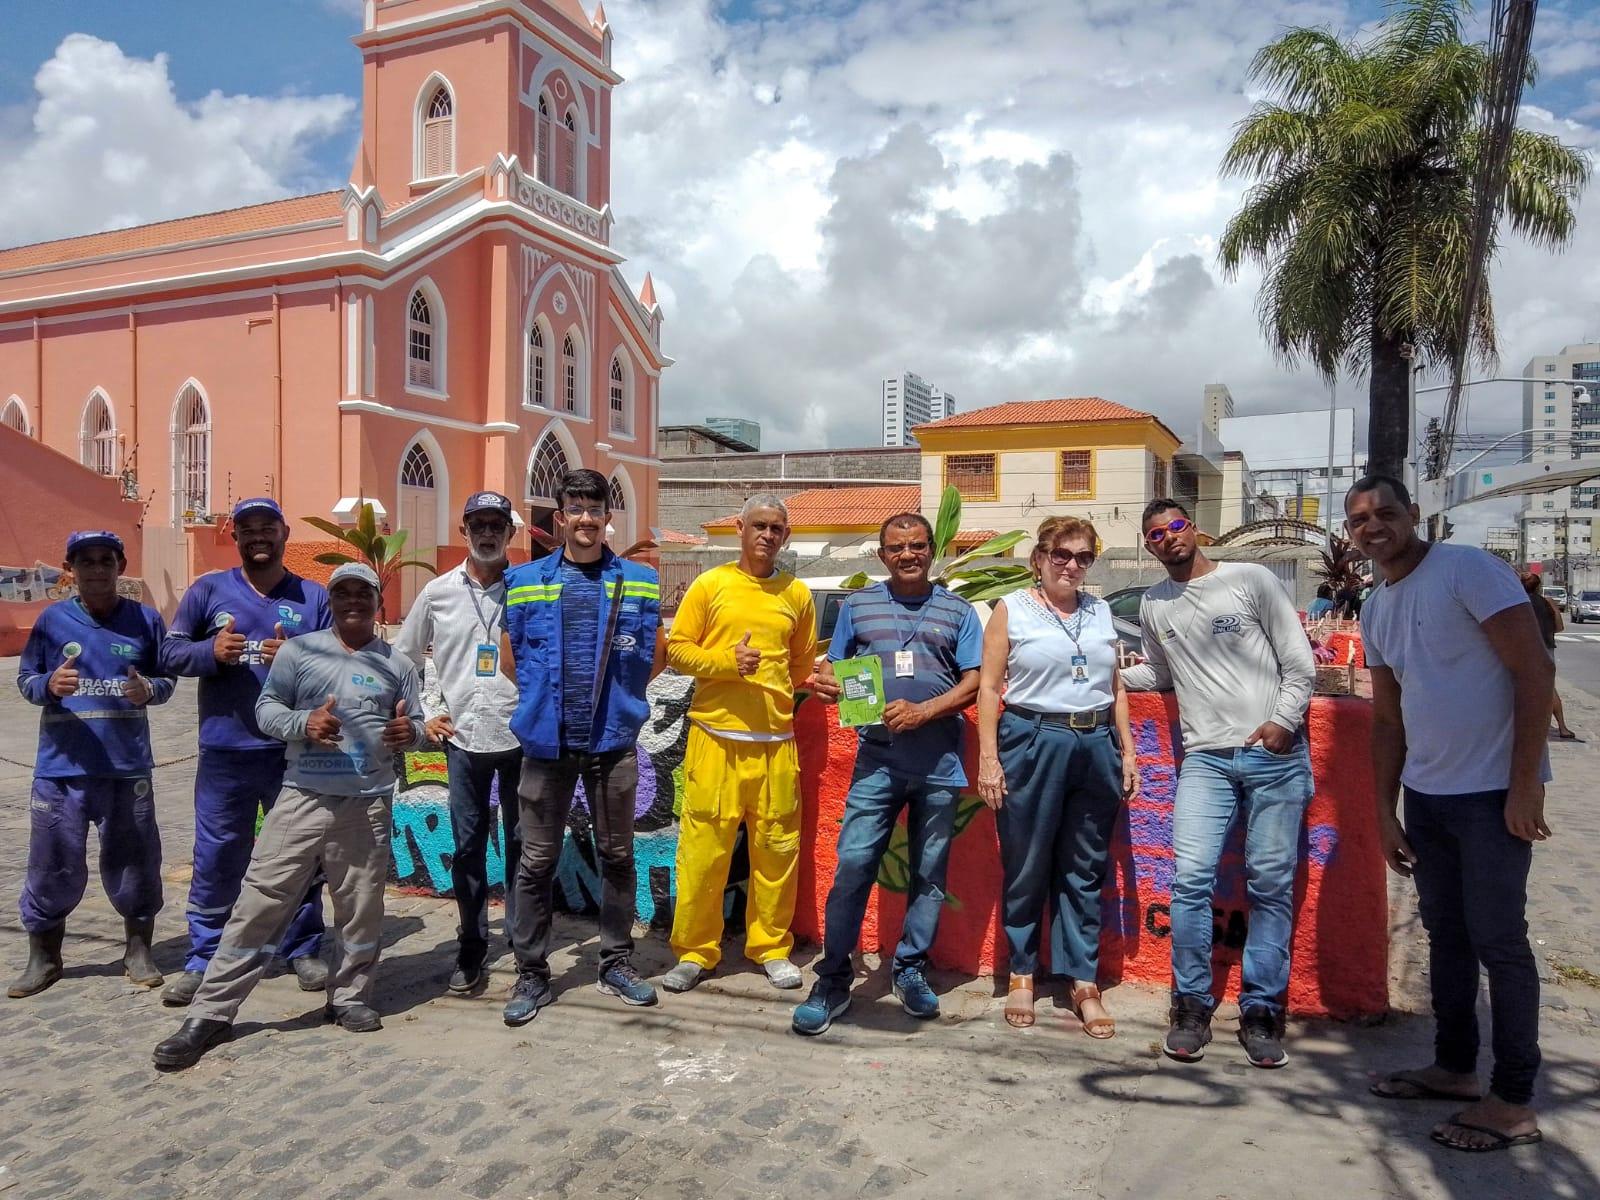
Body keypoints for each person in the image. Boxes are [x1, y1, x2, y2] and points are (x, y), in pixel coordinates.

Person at [152, 562, 425, 1070]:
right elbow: (267, 709)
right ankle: (211, 1014)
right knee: (259, 903)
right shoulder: (301, 651)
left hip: (367, 804)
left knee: (361, 908)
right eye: (342, 593)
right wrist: (305, 721)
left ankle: (349, 997)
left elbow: (420, 723)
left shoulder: (399, 663)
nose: (352, 603)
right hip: (301, 796)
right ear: (332, 601)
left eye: (362, 594)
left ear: (377, 601)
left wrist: (411, 735)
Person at [1351, 476, 1552, 1154]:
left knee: (1500, 942)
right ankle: (1457, 1068)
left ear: (1413, 514)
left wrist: (1526, 785)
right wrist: (1385, 811)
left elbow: (1534, 672)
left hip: (1493, 792)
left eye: (1385, 513)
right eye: (1359, 519)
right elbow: (1386, 719)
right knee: (1449, 936)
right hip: (1429, 796)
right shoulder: (1376, 606)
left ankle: (1515, 1100)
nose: (1373, 526)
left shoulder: (1468, 569)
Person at [1122, 499, 1316, 1068]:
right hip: (1205, 761)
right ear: (1147, 545)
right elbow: (1160, 673)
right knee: (1189, 881)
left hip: (1274, 756)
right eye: (1155, 534)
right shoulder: (1155, 604)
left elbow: (1299, 663)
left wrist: (1282, 723)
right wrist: (1102, 671)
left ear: (1196, 529)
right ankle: (1190, 1005)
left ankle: (1260, 1011)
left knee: (1269, 885)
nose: (1168, 538)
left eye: (1176, 526)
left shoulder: (1250, 580)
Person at [791, 513, 983, 1035]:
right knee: (853, 865)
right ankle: (832, 978)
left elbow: (976, 681)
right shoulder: (857, 606)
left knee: (929, 875)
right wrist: (827, 681)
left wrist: (926, 710)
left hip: (940, 763)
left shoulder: (959, 611)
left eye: (918, 545)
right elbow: (834, 666)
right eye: (897, 547)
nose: (908, 555)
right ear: (882, 555)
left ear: (931, 550)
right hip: (876, 759)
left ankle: (909, 969)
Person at [496, 470, 665, 1025]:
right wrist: (546, 703)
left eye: (596, 507)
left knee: (618, 856)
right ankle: (532, 972)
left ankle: (615, 960)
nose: (586, 518)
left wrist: (618, 703)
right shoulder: (523, 579)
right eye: (576, 508)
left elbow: (655, 657)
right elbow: (508, 657)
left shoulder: (639, 580)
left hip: (613, 743)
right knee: (537, 860)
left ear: (608, 516)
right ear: (561, 517)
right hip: (547, 745)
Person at [661, 494, 840, 994]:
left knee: (777, 851)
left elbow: (802, 664)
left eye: (776, 528)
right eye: (758, 525)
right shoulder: (710, 585)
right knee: (702, 854)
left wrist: (818, 681)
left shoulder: (796, 594)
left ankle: (770, 947)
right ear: (740, 528)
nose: (766, 535)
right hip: (714, 741)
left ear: (787, 535)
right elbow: (675, 649)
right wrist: (725, 663)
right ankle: (695, 952)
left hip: (776, 744)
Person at [156, 497, 332, 1006]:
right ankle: (204, 956)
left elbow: (338, 664)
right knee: (216, 857)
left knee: (299, 857)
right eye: (248, 529)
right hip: (224, 752)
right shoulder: (208, 589)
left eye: (268, 528)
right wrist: (208, 653)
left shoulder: (312, 597)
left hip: (291, 755)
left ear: (284, 532)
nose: (258, 537)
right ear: (234, 535)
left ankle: (302, 946)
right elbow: (169, 653)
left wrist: (298, 658)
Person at [975, 516, 1138, 1035]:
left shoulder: (1101, 610)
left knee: (1085, 866)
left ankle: (1081, 980)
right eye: (1062, 554)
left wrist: (1128, 752)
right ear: (1039, 558)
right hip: (1031, 739)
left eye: (1084, 557)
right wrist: (988, 759)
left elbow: (1115, 687)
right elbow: (988, 689)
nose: (1072, 565)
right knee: (1026, 861)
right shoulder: (1012, 610)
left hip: (1095, 745)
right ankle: (1022, 970)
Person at [10, 532, 176, 998]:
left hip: (127, 769)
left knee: (137, 861)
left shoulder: (144, 620)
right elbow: (25, 681)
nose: (98, 569)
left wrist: (149, 691)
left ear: (121, 566)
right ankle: (44, 957)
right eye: (87, 561)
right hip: (62, 770)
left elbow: (166, 681)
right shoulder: (52, 621)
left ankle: (139, 950)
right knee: (52, 863)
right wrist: (49, 685)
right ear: (72, 569)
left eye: (107, 560)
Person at [395, 491, 523, 994]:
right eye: (478, 525)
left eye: (497, 525)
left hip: (519, 737)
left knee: (523, 842)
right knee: (468, 846)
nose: (488, 533)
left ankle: (520, 932)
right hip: (463, 739)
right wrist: (427, 713)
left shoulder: (529, 588)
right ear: (464, 531)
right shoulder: (438, 592)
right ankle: (471, 941)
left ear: (510, 533)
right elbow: (404, 658)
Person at [1521, 573, 1579, 741]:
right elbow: (1559, 627)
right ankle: (1562, 727)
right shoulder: (1548, 602)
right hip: (1546, 649)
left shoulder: (1516, 602)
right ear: (1538, 587)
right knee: (1549, 689)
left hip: (1523, 650)